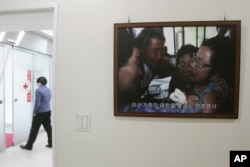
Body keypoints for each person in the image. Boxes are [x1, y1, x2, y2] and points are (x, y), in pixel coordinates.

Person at [20, 76, 52, 150]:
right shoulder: (48, 90)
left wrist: (34, 112)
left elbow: (37, 103)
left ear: (39, 83)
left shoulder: (38, 90)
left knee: (34, 129)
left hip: (40, 113)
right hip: (48, 111)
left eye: (37, 83)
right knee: (49, 128)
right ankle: (51, 143)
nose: (37, 84)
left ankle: (29, 146)